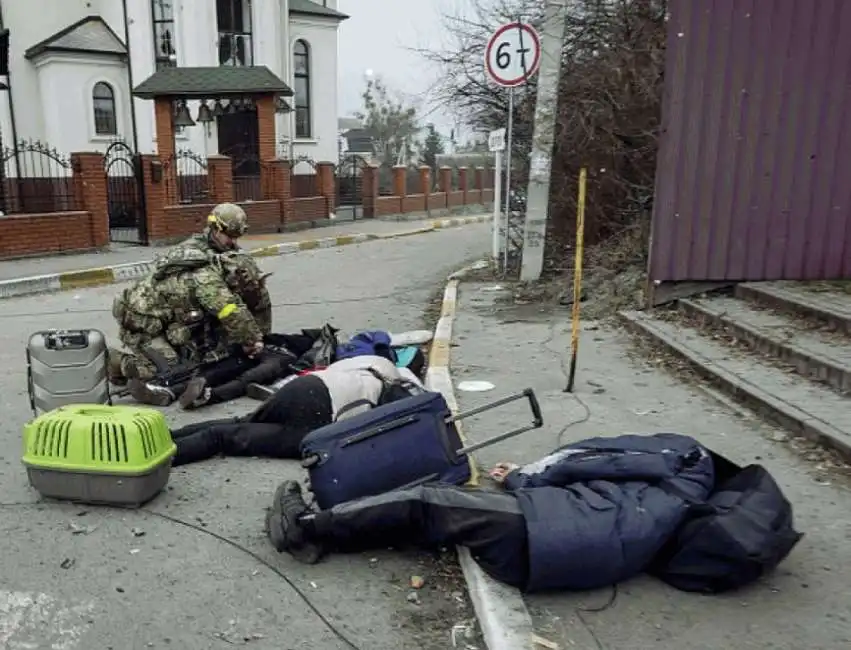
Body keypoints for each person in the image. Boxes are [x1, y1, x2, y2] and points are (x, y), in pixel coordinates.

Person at [263, 433, 716, 591]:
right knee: (438, 517)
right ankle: (334, 537)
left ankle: (305, 528)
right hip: (566, 550)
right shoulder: (680, 493)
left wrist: (522, 477)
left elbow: (588, 462)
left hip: (546, 535)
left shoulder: (677, 455)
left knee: (427, 500)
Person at [168, 354, 426, 466]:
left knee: (242, 421)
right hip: (318, 417)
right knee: (226, 437)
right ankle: (159, 461)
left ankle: (165, 436)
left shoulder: (370, 364)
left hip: (305, 386)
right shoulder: (399, 388)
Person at [123, 250, 277, 406]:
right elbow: (230, 312)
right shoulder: (207, 280)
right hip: (141, 328)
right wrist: (252, 341)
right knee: (172, 369)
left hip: (166, 321)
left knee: (196, 359)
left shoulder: (212, 271)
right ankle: (122, 364)